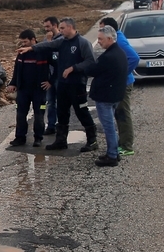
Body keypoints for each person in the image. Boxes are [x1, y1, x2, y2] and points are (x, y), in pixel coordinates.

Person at [25, 17, 97, 151]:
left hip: (77, 84)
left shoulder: (83, 43)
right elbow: (47, 45)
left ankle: (92, 140)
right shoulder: (61, 42)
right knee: (62, 112)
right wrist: (31, 48)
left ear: (70, 27)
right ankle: (61, 140)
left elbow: (90, 62)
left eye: (63, 28)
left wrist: (73, 68)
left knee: (81, 111)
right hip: (63, 85)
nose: (60, 31)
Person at [67, 25, 128, 166]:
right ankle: (114, 152)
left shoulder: (109, 56)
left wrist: (80, 66)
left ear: (110, 38)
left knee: (108, 127)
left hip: (106, 97)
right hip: (115, 95)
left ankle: (112, 156)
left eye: (100, 39)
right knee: (110, 125)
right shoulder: (120, 53)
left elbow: (92, 70)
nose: (98, 41)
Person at [99, 16, 139, 156]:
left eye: (102, 28)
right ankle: (122, 143)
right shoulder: (118, 38)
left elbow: (134, 58)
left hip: (124, 83)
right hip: (121, 83)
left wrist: (122, 74)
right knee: (118, 113)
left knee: (123, 114)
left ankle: (127, 146)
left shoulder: (120, 42)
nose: (100, 31)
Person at [5, 29, 47, 147]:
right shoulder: (21, 53)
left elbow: (57, 66)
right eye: (21, 42)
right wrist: (13, 83)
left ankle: (38, 138)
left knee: (39, 115)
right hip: (23, 89)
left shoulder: (42, 51)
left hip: (39, 90)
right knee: (20, 114)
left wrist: (50, 81)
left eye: (25, 42)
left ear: (33, 40)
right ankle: (20, 138)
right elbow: (17, 69)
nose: (23, 44)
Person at [39, 16, 60, 133]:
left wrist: (49, 43)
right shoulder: (46, 39)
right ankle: (51, 125)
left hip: (59, 76)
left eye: (48, 26)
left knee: (61, 102)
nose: (46, 29)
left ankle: (61, 125)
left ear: (54, 25)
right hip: (49, 76)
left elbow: (56, 58)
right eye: (45, 27)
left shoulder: (61, 39)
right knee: (51, 102)